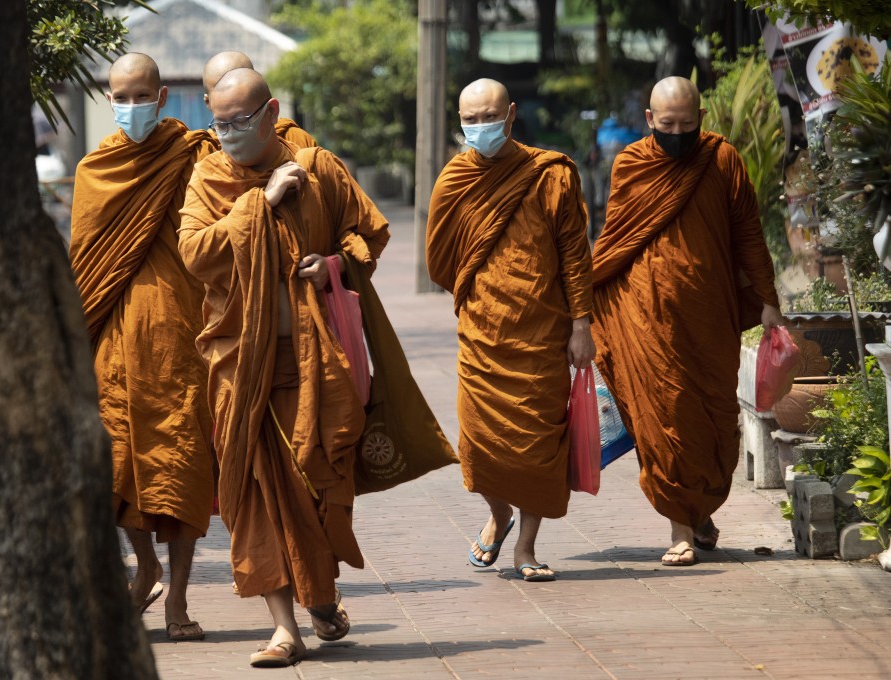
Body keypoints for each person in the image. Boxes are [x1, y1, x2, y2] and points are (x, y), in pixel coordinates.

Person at [177, 68, 390, 667]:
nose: (227, 135)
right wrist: (260, 204)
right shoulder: (208, 177)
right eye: (217, 123)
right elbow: (195, 254)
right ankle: (283, 628)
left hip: (314, 362)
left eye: (241, 122)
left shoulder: (318, 170)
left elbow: (366, 237)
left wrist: (332, 267)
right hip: (241, 366)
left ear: (272, 113)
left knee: (319, 484)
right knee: (257, 492)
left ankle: (320, 597)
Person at [590, 76, 783, 566]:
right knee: (664, 419)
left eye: (688, 124)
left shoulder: (721, 160)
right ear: (649, 121)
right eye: (667, 125)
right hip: (646, 313)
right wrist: (583, 297)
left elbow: (748, 235)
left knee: (714, 422)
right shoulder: (631, 163)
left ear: (701, 119)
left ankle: (699, 512)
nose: (678, 133)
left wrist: (768, 299)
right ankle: (679, 527)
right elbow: (617, 237)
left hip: (708, 316)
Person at [69, 53, 216, 640]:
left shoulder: (192, 156)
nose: (130, 107)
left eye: (141, 96)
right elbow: (84, 260)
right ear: (110, 100)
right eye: (120, 97)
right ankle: (144, 564)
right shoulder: (93, 168)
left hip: (178, 336)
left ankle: (177, 598)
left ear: (162, 98)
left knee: (178, 459)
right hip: (110, 337)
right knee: (117, 464)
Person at [426, 79, 596, 583]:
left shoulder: (551, 174)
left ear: (512, 114)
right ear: (459, 121)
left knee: (539, 447)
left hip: (542, 333)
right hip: (482, 334)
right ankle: (499, 516)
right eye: (471, 119)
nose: (481, 128)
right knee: (479, 444)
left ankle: (527, 546)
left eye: (490, 117)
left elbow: (574, 253)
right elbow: (439, 258)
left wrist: (581, 324)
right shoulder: (456, 177)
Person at [202, 50, 317, 149]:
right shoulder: (205, 154)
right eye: (221, 88)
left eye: (244, 80)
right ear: (208, 102)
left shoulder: (294, 139)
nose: (233, 93)